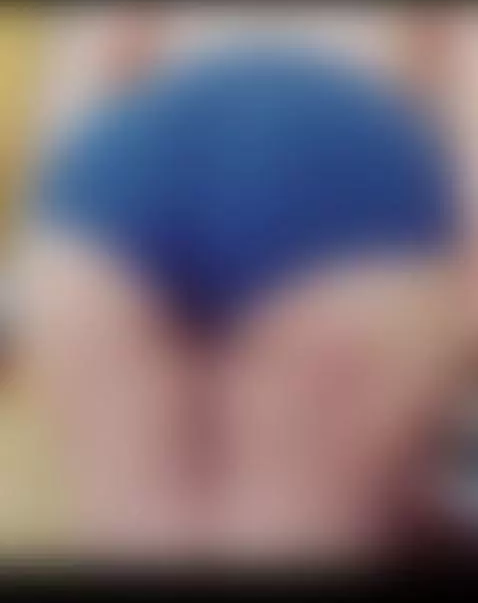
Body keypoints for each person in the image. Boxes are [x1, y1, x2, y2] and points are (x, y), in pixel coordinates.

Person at [22, 45, 473, 566]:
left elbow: (78, 102)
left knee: (139, 526)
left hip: (118, 181)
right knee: (290, 526)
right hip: (353, 185)